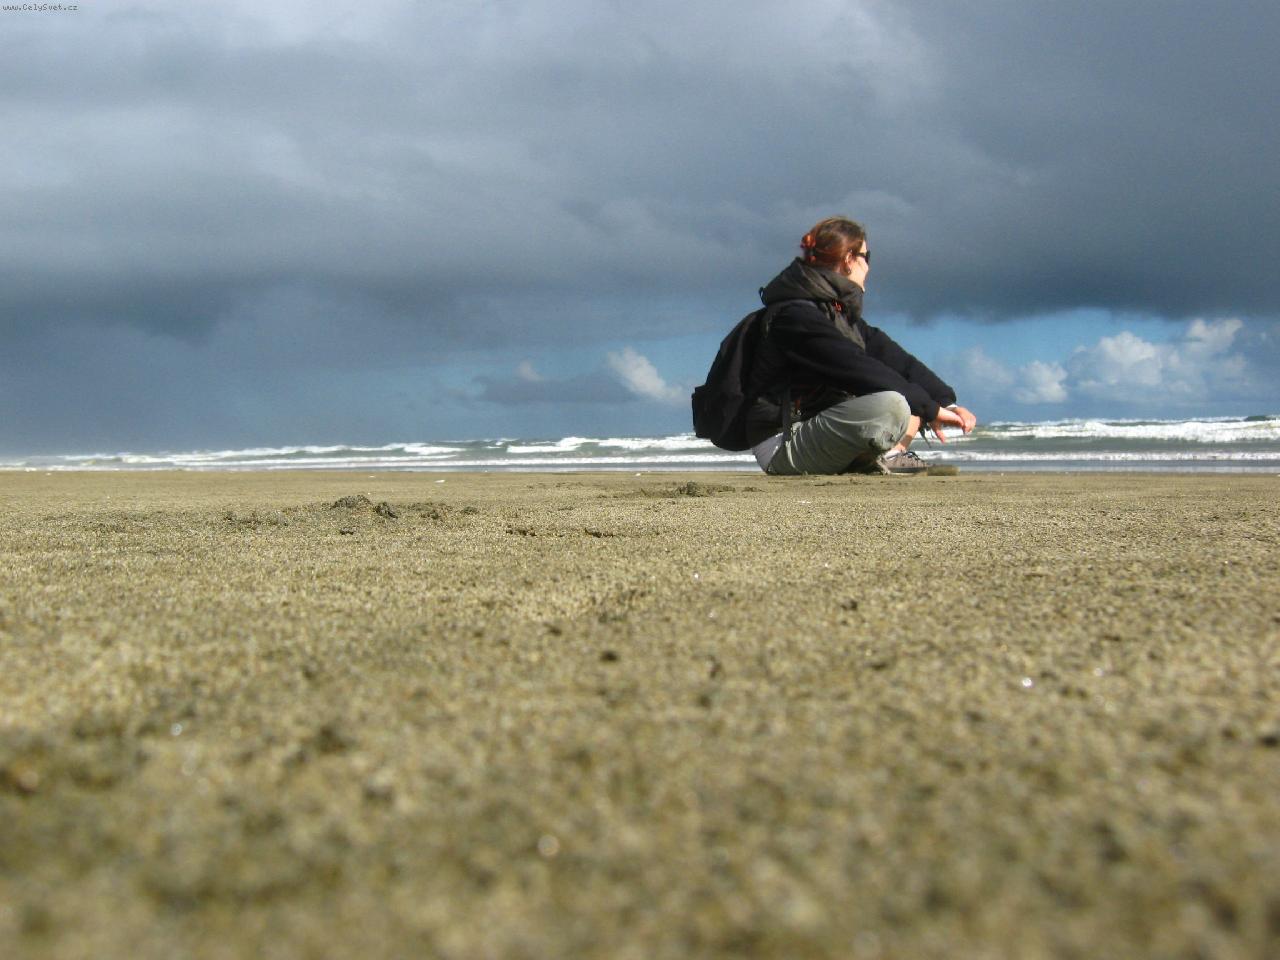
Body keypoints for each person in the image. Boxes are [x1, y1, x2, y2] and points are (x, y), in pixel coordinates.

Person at [744, 216, 977, 475]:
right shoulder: (795, 316)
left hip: (820, 427)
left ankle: (891, 455)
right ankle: (884, 455)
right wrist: (930, 409)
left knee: (912, 394)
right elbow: (856, 368)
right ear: (849, 259)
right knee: (895, 403)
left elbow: (898, 360)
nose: (868, 266)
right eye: (867, 257)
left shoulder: (838, 315)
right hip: (783, 444)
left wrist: (946, 404)